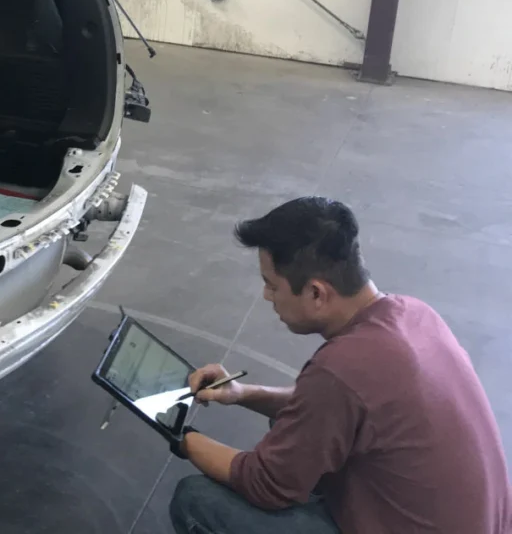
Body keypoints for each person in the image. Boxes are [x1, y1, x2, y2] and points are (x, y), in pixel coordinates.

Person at [167, 197, 512, 534]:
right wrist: (242, 393)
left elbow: (265, 483)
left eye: (272, 285)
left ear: (317, 293)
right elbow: (329, 406)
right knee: (290, 429)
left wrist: (184, 440)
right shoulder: (414, 314)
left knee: (195, 500)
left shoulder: (341, 369)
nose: (266, 296)